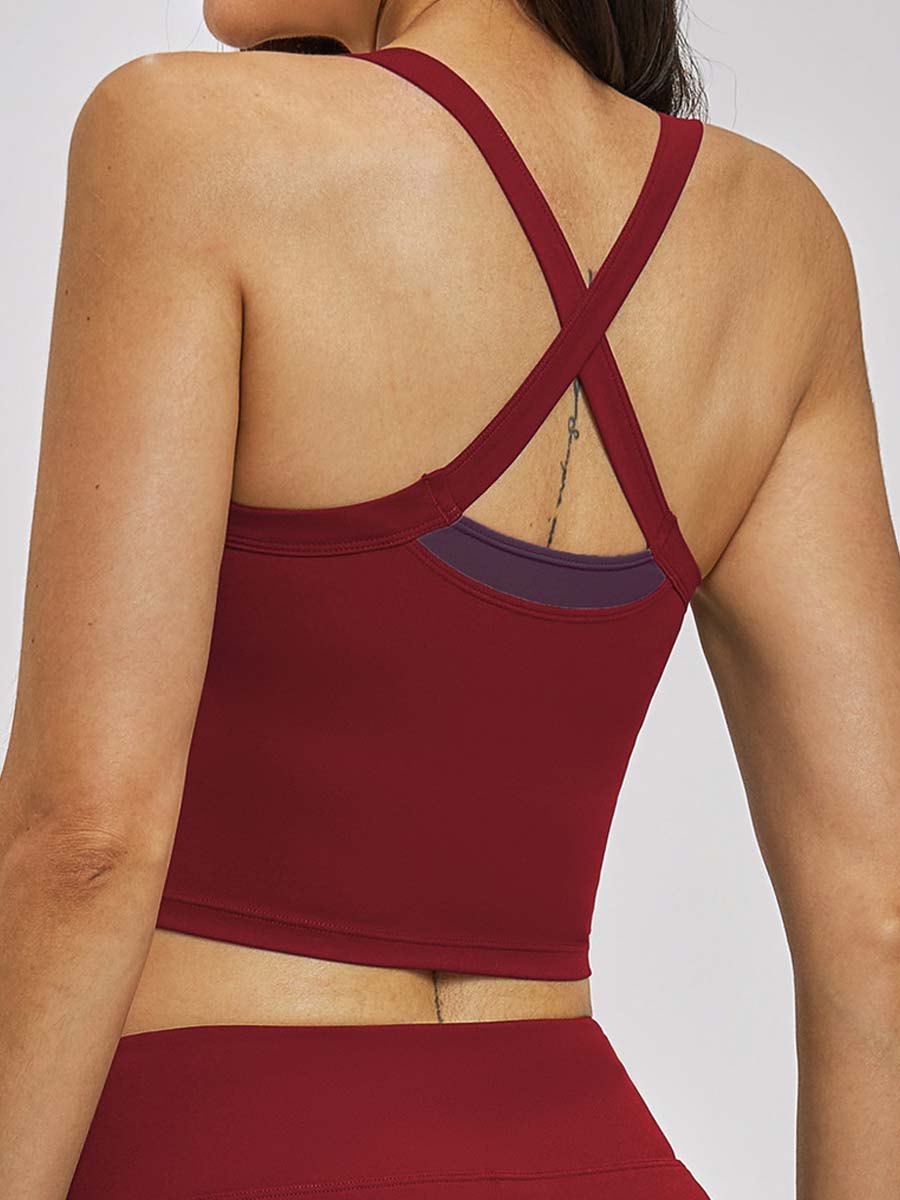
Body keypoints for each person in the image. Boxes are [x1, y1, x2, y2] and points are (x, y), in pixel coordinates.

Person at [1, 0, 898, 1196]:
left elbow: (84, 845)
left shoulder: (187, 140)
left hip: (222, 1143)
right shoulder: (780, 245)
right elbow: (879, 921)